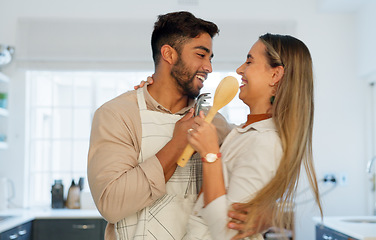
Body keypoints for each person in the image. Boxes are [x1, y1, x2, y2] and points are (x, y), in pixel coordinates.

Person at [87, 11, 248, 240]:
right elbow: (112, 205)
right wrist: (177, 143)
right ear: (168, 54)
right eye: (201, 55)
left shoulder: (213, 121)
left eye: (210, 58)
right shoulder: (118, 115)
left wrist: (266, 211)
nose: (209, 67)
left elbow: (257, 161)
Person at [182, 33, 323, 239]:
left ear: (275, 75)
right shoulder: (243, 132)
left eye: (249, 61)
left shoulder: (266, 142)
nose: (240, 69)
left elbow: (227, 233)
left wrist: (210, 154)